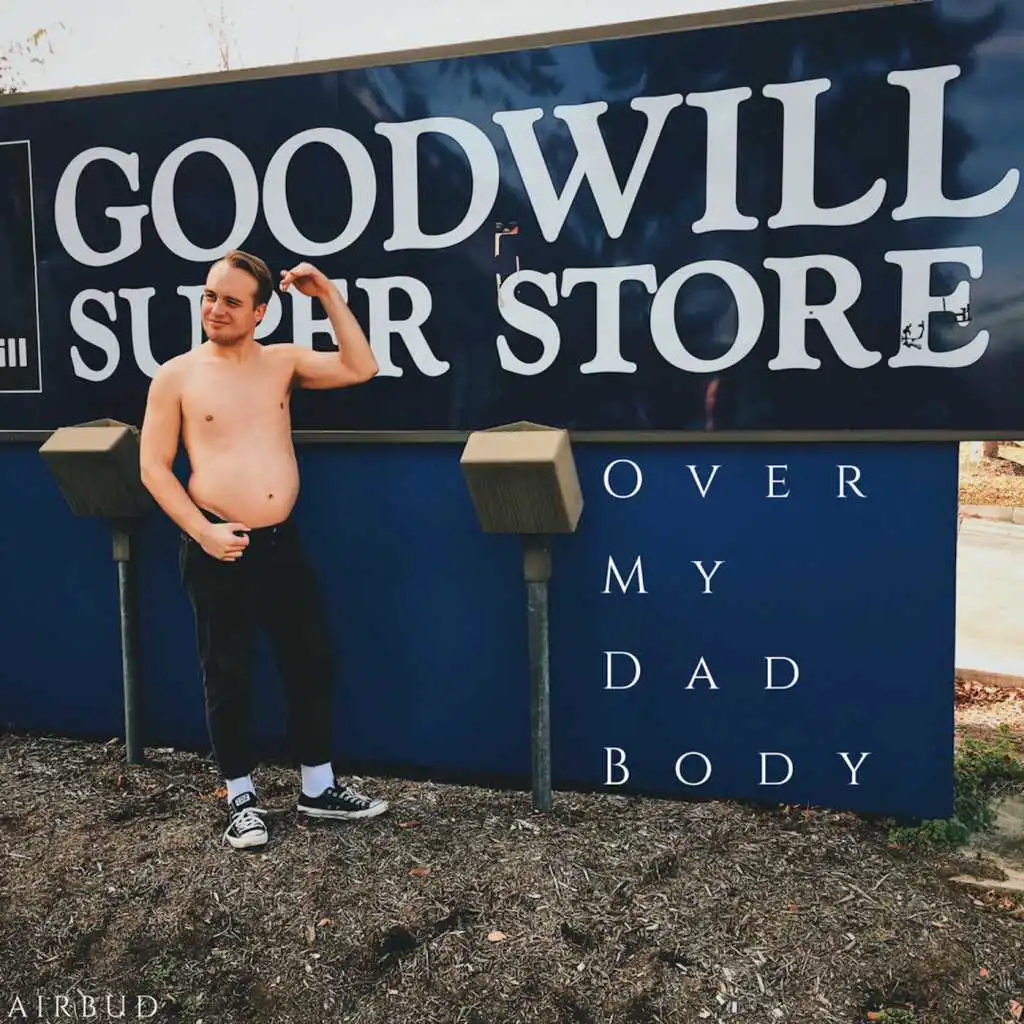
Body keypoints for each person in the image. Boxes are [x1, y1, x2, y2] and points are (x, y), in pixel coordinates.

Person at [139, 249, 388, 851]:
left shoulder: (282, 362)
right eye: (209, 296)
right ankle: (241, 799)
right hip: (217, 544)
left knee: (311, 660)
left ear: (259, 313)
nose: (215, 309)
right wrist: (202, 531)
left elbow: (362, 366)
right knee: (227, 672)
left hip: (279, 541)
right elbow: (153, 467)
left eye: (231, 301)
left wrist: (326, 294)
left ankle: (317, 788)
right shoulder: (176, 375)